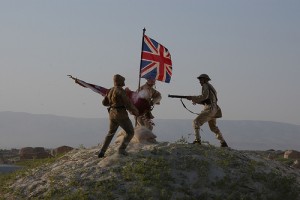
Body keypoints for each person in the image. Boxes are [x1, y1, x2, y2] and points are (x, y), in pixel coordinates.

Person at [98, 74, 139, 158]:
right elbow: (128, 103)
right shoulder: (120, 90)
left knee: (110, 132)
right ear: (120, 81)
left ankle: (102, 151)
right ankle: (121, 149)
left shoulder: (110, 90)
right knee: (130, 132)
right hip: (120, 114)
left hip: (111, 113)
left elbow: (104, 103)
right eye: (123, 81)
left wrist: (112, 102)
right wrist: (135, 111)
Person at [186, 74, 228, 147]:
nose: (200, 81)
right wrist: (196, 101)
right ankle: (223, 142)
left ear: (205, 80)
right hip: (214, 109)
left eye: (201, 80)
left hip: (210, 109)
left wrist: (192, 97)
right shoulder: (210, 87)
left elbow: (204, 96)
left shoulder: (205, 85)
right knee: (213, 127)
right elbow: (207, 100)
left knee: (196, 122)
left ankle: (197, 141)